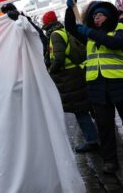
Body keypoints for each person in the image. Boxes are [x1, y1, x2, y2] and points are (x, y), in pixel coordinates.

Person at [65, 0, 123, 173]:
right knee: (104, 125)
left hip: (121, 82)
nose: (96, 18)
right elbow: (71, 28)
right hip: (98, 85)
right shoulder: (90, 33)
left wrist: (90, 32)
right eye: (94, 16)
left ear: (108, 16)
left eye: (100, 15)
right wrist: (69, 10)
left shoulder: (119, 28)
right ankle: (110, 161)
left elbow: (115, 43)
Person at [42, 10, 99, 153]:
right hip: (74, 74)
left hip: (68, 77)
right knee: (84, 109)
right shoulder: (62, 31)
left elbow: (59, 58)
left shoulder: (54, 35)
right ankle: (96, 137)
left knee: (80, 111)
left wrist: (51, 70)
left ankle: (92, 141)